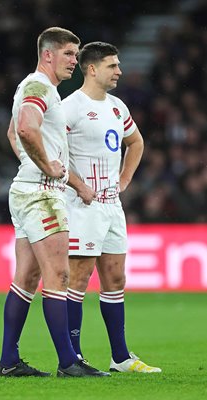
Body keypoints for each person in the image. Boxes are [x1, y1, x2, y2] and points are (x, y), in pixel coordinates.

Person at [0, 28, 110, 378]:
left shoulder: (39, 90)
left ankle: (9, 361)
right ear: (48, 54)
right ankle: (68, 362)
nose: (75, 62)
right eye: (70, 54)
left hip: (30, 189)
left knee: (26, 278)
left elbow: (14, 133)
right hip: (42, 196)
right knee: (58, 275)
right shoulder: (39, 87)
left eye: (76, 55)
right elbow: (27, 130)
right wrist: (46, 167)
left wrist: (51, 171)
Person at [62, 42, 162, 373]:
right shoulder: (70, 108)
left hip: (112, 205)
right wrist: (78, 184)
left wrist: (124, 180)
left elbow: (136, 142)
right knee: (79, 277)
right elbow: (53, 155)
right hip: (82, 205)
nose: (119, 70)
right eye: (112, 65)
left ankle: (120, 358)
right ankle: (72, 359)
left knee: (115, 278)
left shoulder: (118, 107)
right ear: (91, 69)